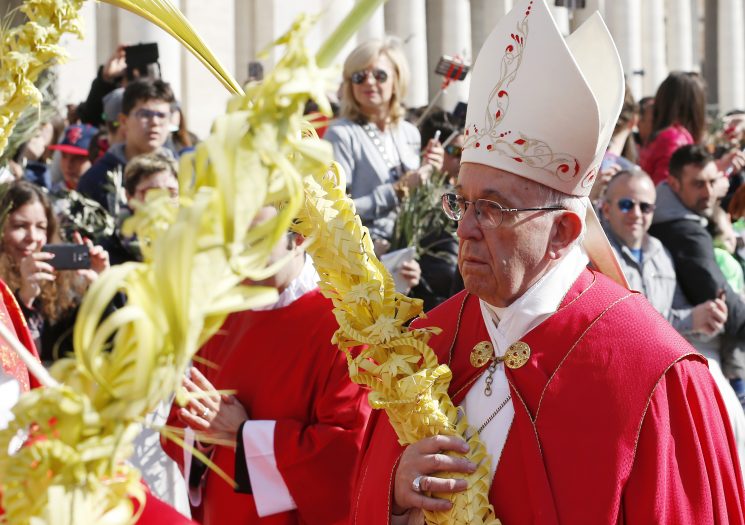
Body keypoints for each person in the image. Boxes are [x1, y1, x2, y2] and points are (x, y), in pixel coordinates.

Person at [353, 1, 745, 523]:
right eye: (461, 202)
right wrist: (396, 496)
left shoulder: (653, 373)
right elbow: (365, 498)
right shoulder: (427, 346)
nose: (465, 228)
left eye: (491, 209)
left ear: (563, 231)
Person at [164, 207, 371, 525]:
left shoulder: (345, 326)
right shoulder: (221, 315)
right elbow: (180, 420)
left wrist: (244, 434)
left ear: (299, 238)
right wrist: (204, 432)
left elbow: (345, 453)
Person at [324, 38, 443, 247]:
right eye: (359, 76)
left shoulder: (409, 132)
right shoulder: (341, 133)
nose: (369, 82)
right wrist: (396, 190)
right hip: (362, 253)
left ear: (397, 79)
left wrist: (430, 170)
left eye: (379, 75)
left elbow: (417, 200)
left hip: (407, 254)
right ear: (350, 85)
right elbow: (333, 209)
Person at [650, 145, 745, 401]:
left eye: (712, 182)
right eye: (698, 184)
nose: (709, 192)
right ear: (674, 183)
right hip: (694, 348)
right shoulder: (683, 232)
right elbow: (715, 292)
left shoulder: (673, 212)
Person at [0, 180, 109, 363]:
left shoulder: (60, 284)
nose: (33, 237)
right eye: (20, 226)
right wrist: (24, 299)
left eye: (41, 227)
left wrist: (100, 290)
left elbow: (86, 348)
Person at [77, 79, 175, 216]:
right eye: (145, 115)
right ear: (123, 121)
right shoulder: (96, 179)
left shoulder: (182, 174)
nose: (155, 122)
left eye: (162, 115)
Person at [102, 151, 179, 264]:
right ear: (129, 197)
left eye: (171, 193)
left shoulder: (195, 241)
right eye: (150, 193)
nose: (162, 201)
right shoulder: (108, 250)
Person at [47, 124, 97, 193]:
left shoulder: (107, 196)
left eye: (77, 157)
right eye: (64, 156)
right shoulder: (52, 193)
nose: (68, 164)